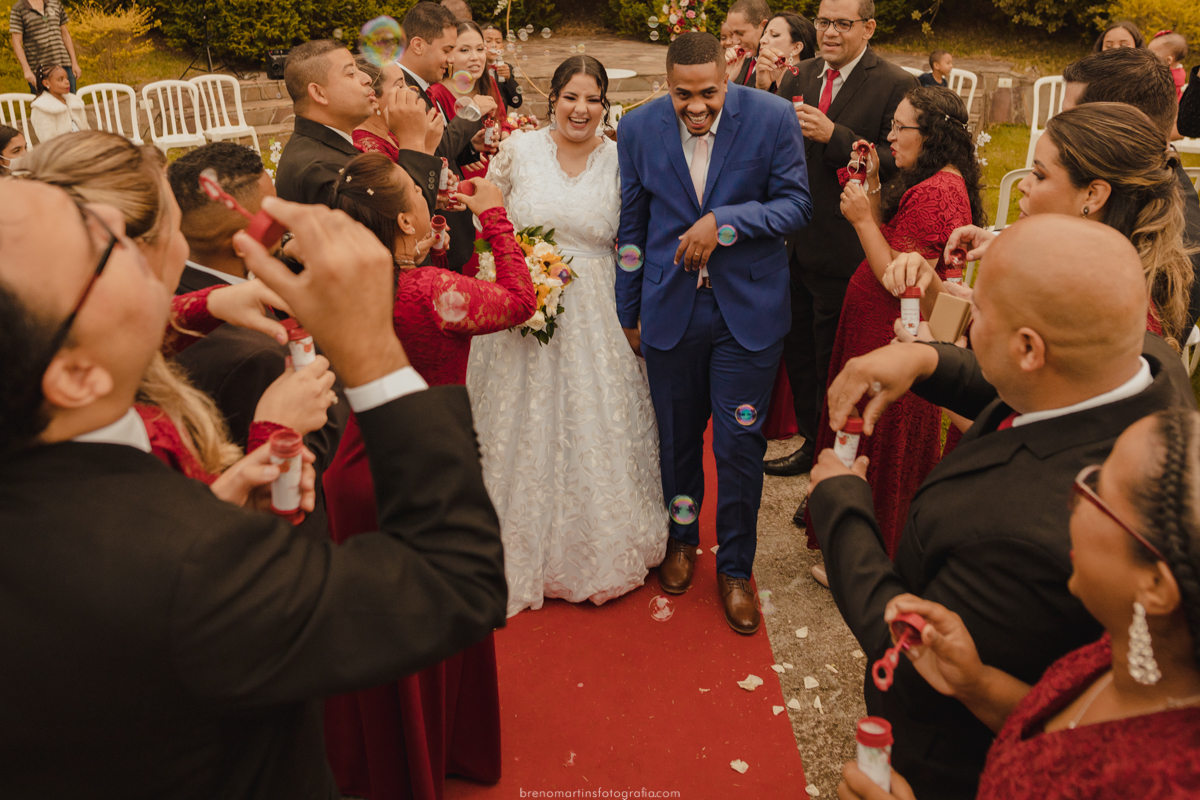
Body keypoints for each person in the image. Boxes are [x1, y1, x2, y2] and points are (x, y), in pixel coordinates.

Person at [0, 172, 508, 797]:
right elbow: (456, 581)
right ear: (76, 376)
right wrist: (372, 350)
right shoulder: (189, 568)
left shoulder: (42, 426)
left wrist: (207, 305)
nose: (114, 220)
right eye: (97, 243)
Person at [807, 214, 1193, 800]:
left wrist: (841, 505)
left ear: (1029, 347)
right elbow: (1047, 384)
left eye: (978, 311)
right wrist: (928, 360)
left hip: (943, 763)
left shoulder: (1030, 535)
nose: (966, 315)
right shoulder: (1146, 367)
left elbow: (911, 659)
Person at [837, 409, 1200, 800]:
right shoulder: (1133, 650)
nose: (1074, 497)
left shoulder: (1167, 782)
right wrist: (977, 684)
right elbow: (1062, 733)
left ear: (1156, 585)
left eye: (1098, 491)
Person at [320, 152, 534, 800]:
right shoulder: (429, 294)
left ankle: (376, 756)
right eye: (416, 190)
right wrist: (496, 217)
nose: (425, 193)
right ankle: (430, 753)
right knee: (433, 610)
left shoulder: (344, 286)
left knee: (374, 619)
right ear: (406, 219)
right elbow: (520, 301)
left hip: (355, 464)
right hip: (422, 467)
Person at [616, 33, 811, 634]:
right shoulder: (637, 127)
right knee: (676, 439)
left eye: (708, 93)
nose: (696, 106)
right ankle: (681, 542)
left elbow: (797, 205)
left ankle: (735, 568)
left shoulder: (773, 117)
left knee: (738, 446)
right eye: (683, 95)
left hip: (747, 313)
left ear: (727, 80)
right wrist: (628, 312)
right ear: (667, 84)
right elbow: (632, 224)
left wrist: (724, 221)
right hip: (669, 309)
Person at [467, 55, 669, 617]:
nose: (581, 109)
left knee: (596, 421)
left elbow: (637, 235)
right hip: (523, 303)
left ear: (606, 105)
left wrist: (636, 315)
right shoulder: (519, 150)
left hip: (598, 311)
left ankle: (597, 542)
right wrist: (510, 274)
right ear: (551, 98)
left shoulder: (622, 159)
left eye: (593, 99)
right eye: (570, 97)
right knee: (519, 422)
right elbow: (487, 218)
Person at [804, 86, 984, 567]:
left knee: (876, 433)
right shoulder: (931, 180)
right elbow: (898, 238)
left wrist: (862, 221)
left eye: (900, 127)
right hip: (875, 323)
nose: (890, 135)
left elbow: (898, 278)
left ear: (932, 134)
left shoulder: (939, 191)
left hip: (890, 327)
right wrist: (874, 184)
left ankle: (866, 548)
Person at [769, 0, 916, 501]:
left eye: (842, 23)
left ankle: (831, 472)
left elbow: (898, 160)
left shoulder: (895, 83)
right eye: (823, 22)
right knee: (799, 354)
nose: (829, 32)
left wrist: (838, 137)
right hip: (792, 241)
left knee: (833, 359)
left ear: (868, 28)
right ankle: (812, 445)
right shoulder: (800, 74)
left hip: (844, 246)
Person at [166, 142, 349, 534]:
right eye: (274, 212)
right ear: (244, 238)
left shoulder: (177, 291)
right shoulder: (256, 356)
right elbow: (302, 458)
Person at [935, 104, 1194, 350]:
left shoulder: (1091, 310)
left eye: (1039, 175)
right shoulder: (1094, 272)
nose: (1023, 185)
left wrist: (980, 318)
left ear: (1092, 195)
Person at [1061, 46, 1200, 329]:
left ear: (1120, 126)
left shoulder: (1166, 230)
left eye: (1069, 118)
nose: (1058, 128)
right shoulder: (1139, 180)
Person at [276, 39, 439, 208]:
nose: (367, 78)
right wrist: (413, 141)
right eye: (351, 73)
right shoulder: (323, 171)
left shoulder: (326, 148)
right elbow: (409, 217)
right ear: (319, 93)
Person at [427, 21, 512, 179]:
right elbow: (436, 150)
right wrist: (467, 146)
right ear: (449, 55)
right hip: (457, 181)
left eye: (480, 49)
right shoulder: (436, 94)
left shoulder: (488, 84)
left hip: (494, 175)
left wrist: (501, 137)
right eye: (464, 50)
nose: (475, 57)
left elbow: (502, 121)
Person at [353, 56, 444, 165]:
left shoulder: (389, 132)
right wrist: (427, 148)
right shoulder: (367, 147)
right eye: (400, 86)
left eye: (406, 84)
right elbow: (411, 176)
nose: (411, 92)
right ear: (373, 98)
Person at [9, 0, 79, 93]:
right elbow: (16, 42)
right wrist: (27, 70)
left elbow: (65, 33)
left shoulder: (54, 3)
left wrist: (74, 62)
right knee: (44, 101)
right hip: (40, 70)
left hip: (64, 65)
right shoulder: (18, 8)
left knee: (71, 100)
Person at [754, 11, 818, 93]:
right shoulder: (763, 79)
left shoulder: (812, 89)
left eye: (774, 34)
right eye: (764, 34)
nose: (762, 40)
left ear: (796, 48)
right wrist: (761, 87)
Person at [29, 62, 87, 143]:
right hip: (63, 149)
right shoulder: (41, 109)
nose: (67, 82)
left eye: (67, 78)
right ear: (46, 83)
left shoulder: (74, 102)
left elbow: (86, 129)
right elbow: (49, 142)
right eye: (60, 79)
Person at [724, 0, 771, 87]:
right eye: (732, 34)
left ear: (764, 26)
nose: (734, 41)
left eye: (740, 33)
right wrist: (727, 79)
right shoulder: (738, 63)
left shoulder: (779, 67)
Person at [480, 23, 524, 110]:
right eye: (488, 41)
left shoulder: (506, 68)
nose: (494, 45)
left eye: (498, 42)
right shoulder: (475, 68)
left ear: (502, 47)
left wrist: (508, 79)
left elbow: (517, 103)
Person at [1148, 31, 1188, 101]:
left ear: (1168, 60)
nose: (1146, 56)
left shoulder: (1167, 77)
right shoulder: (1179, 71)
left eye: (1151, 54)